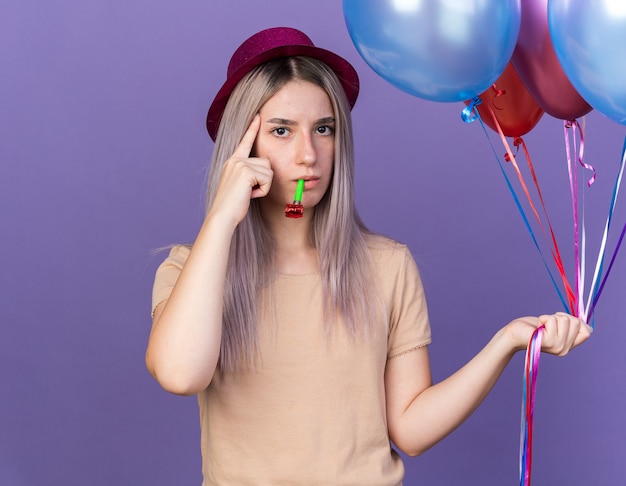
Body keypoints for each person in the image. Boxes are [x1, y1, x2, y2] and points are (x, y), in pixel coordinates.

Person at [145, 27, 591, 485]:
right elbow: (181, 374)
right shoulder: (189, 269)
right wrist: (221, 219)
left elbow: (411, 429)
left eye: (324, 129)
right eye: (281, 131)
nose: (308, 155)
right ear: (243, 146)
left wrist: (508, 342)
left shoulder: (388, 266)